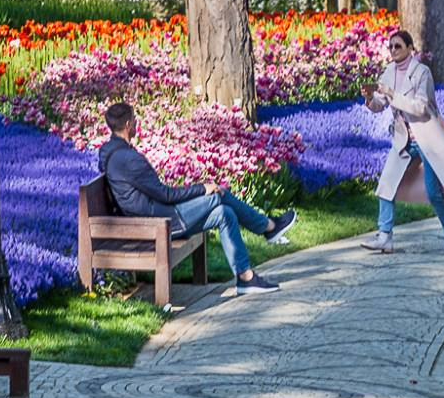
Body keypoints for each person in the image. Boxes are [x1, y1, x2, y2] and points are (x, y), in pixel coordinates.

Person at [98, 102, 298, 295]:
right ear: (127, 125)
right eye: (134, 120)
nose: (136, 124)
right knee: (219, 194)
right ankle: (269, 227)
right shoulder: (129, 159)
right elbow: (166, 195)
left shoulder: (108, 152)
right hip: (159, 222)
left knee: (224, 213)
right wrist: (202, 188)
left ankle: (246, 278)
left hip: (148, 217)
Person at [361, 28, 444, 254]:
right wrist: (369, 98)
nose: (393, 50)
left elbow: (421, 107)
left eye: (398, 46)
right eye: (390, 46)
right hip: (404, 139)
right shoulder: (389, 71)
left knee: (433, 192)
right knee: (386, 185)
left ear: (410, 48)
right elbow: (380, 104)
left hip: (426, 137)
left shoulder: (422, 72)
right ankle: (385, 236)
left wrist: (392, 94)